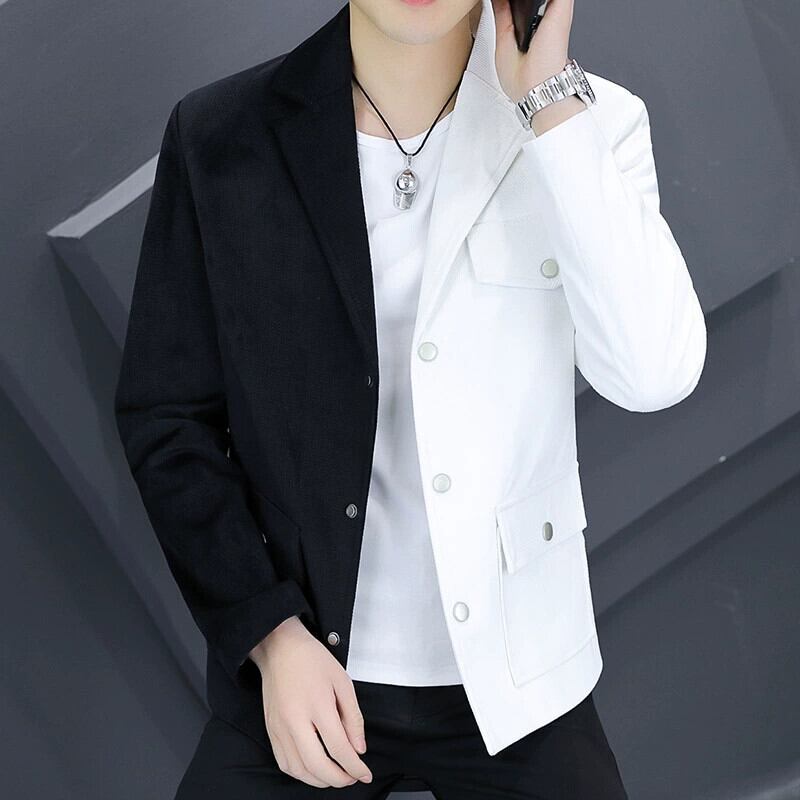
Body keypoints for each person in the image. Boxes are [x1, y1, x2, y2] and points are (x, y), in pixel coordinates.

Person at [114, 0, 707, 797]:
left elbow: (654, 373)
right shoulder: (222, 135)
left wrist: (548, 103)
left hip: (519, 676)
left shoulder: (588, 121)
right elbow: (167, 419)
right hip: (304, 666)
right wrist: (272, 637)